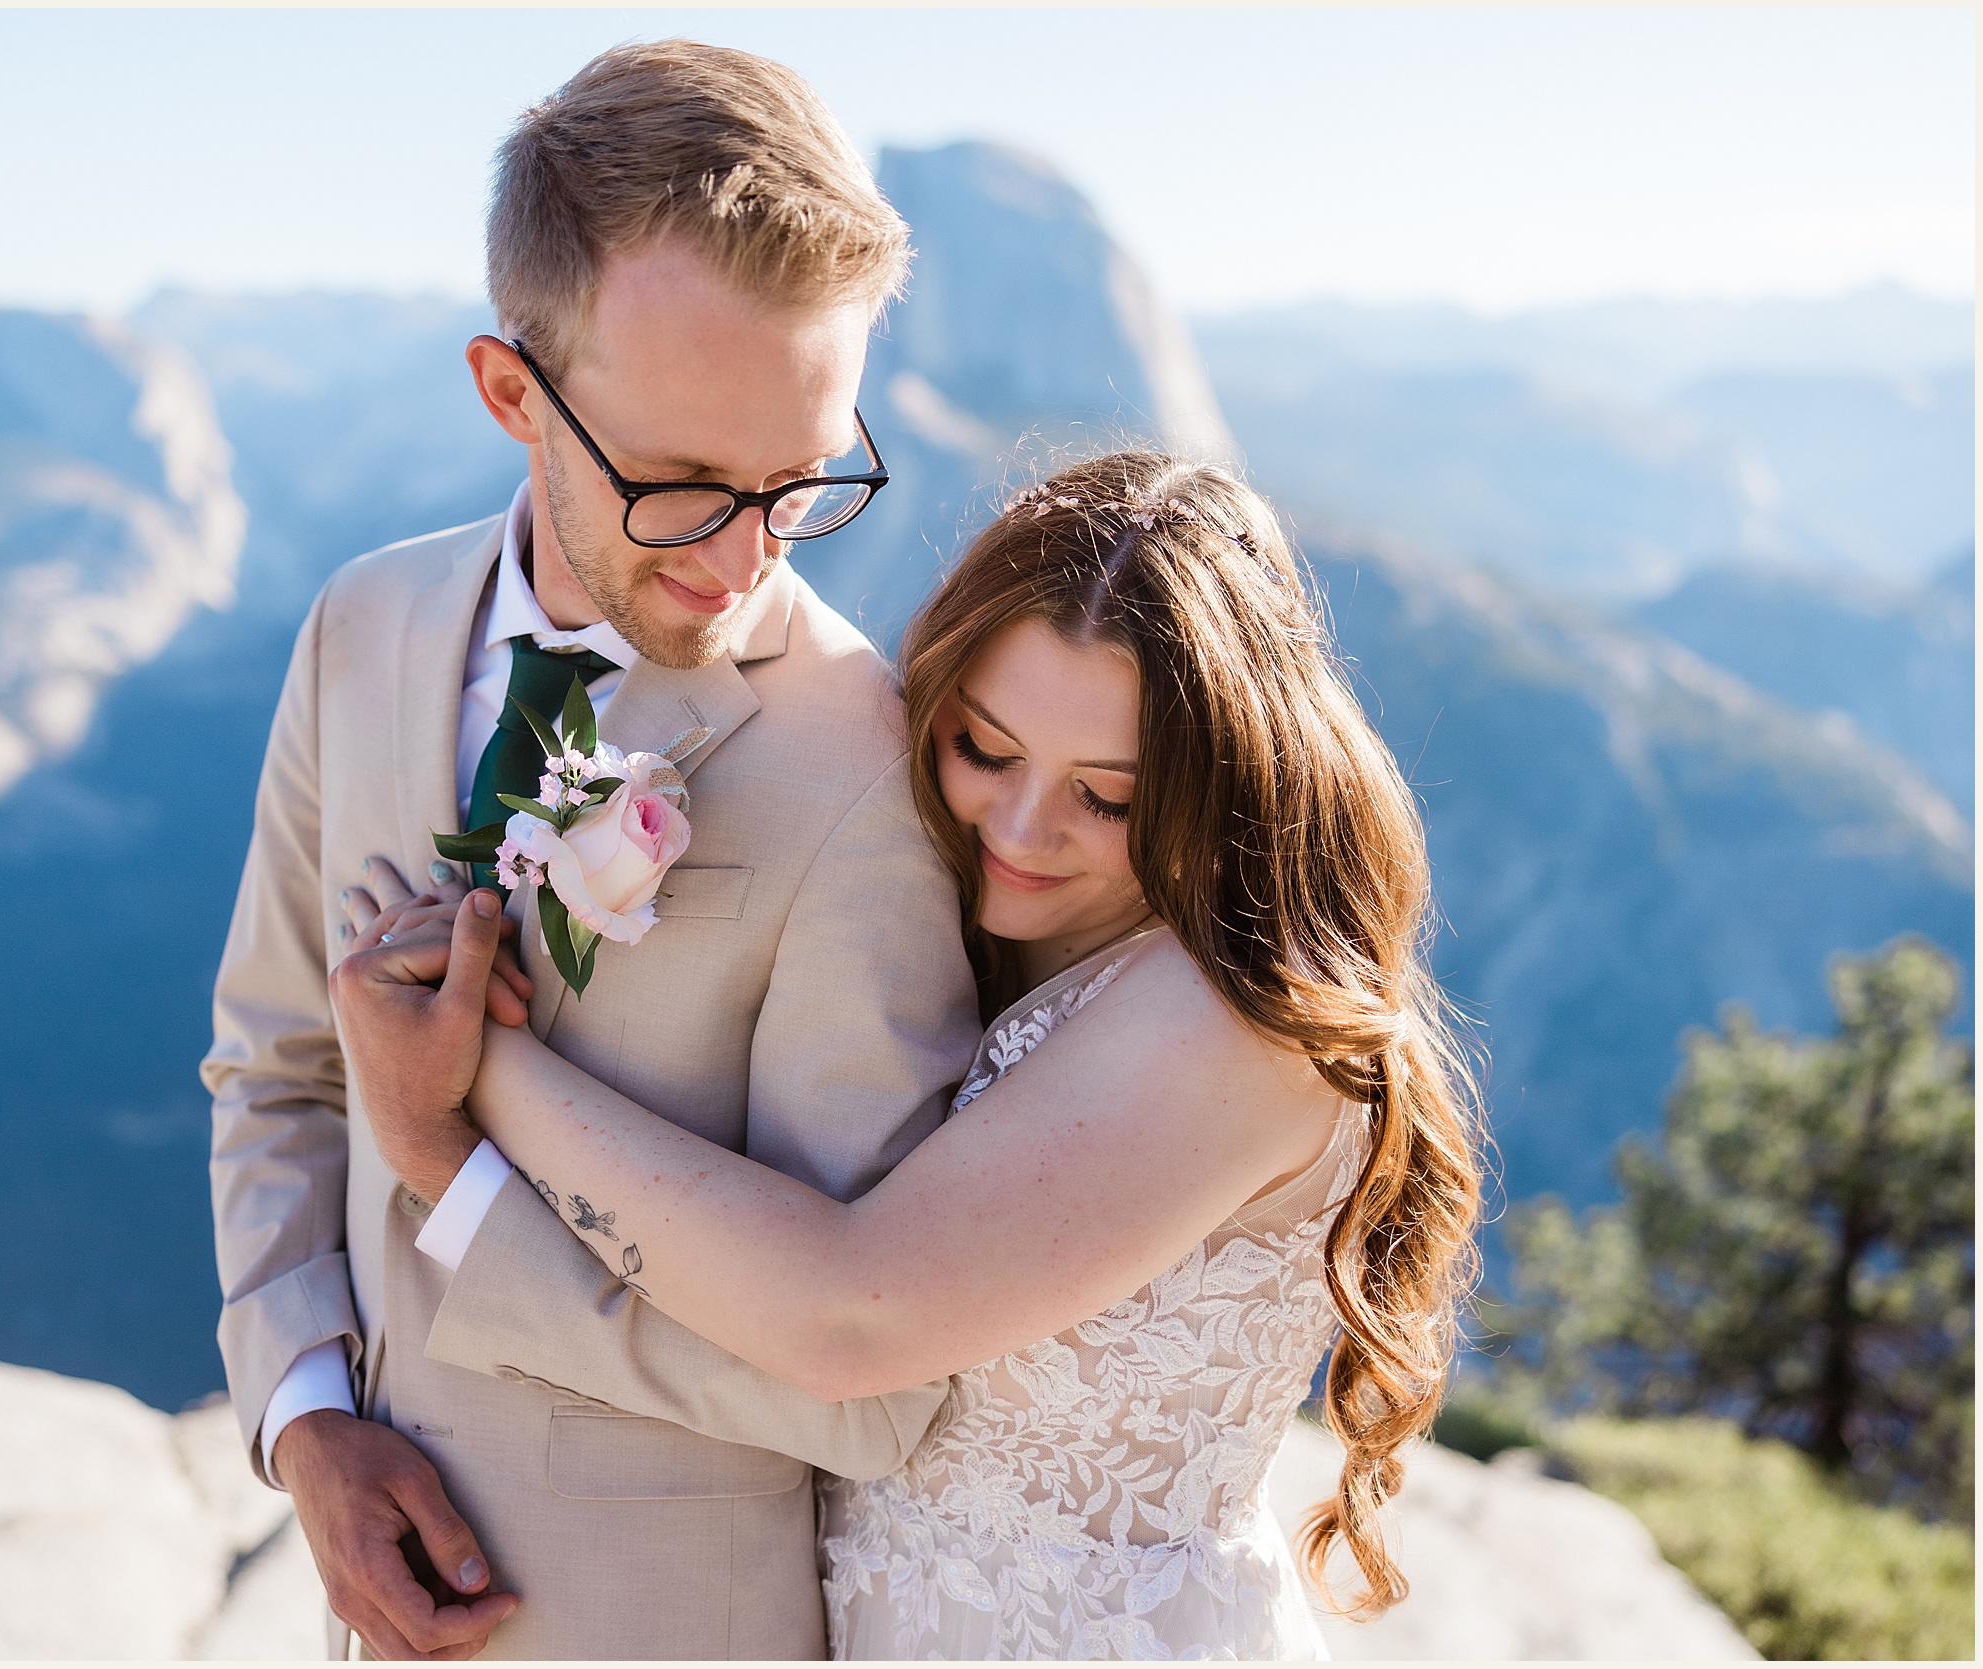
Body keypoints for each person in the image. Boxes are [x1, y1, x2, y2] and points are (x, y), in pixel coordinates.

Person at [335, 449, 1486, 1658]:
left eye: (1107, 797)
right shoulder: (998, 930)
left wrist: (478, 1070)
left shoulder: (1234, 1023)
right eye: (983, 751)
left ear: (1225, 783)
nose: (1024, 830)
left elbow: (847, 1317)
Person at [202, 39, 983, 1661]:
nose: (749, 553)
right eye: (686, 486)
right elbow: (277, 1067)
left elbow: (870, 1373)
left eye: (804, 477)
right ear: (511, 391)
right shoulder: (361, 625)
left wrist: (460, 1179)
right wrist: (304, 1414)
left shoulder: (864, 772)